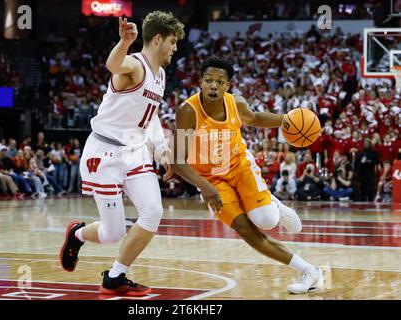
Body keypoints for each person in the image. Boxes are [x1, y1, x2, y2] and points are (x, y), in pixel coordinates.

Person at [172, 58, 323, 294]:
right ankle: (309, 271)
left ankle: (273, 204)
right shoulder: (187, 112)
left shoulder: (236, 104)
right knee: (246, 230)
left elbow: (254, 118)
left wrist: (285, 120)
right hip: (211, 180)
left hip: (239, 165)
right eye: (208, 80)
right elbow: (177, 160)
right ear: (200, 82)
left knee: (266, 220)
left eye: (219, 81)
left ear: (228, 85)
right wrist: (204, 187)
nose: (213, 86)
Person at [59, 12, 184, 296]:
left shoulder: (160, 75)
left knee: (153, 212)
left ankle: (115, 277)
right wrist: (125, 42)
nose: (175, 48)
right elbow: (113, 64)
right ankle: (77, 234)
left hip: (135, 150)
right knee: (112, 233)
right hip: (105, 152)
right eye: (173, 42)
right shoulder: (134, 66)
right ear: (158, 39)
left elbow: (149, 118)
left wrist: (160, 150)